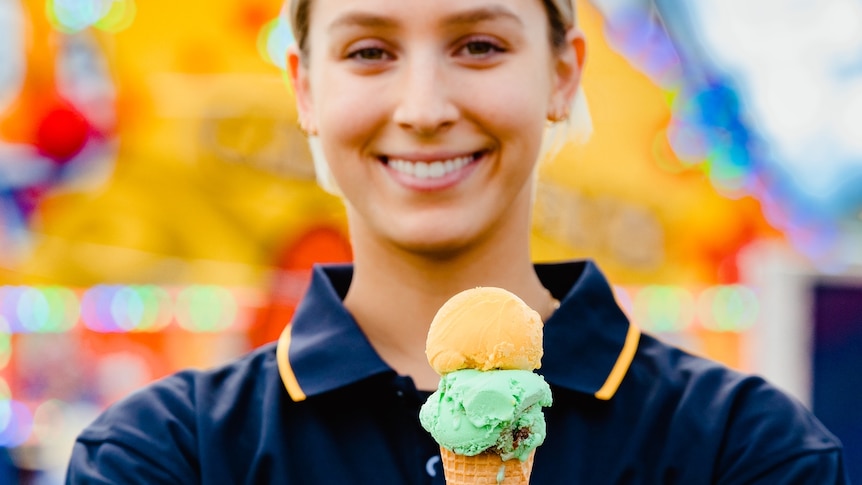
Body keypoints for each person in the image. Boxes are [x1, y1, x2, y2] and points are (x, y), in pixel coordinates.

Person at [66, 0, 849, 483]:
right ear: (305, 88)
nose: (424, 106)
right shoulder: (167, 455)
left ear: (563, 75)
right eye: (369, 51)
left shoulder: (744, 449)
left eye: (479, 45)